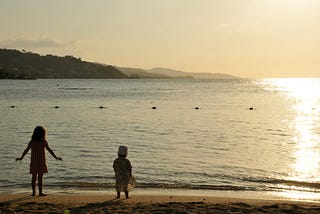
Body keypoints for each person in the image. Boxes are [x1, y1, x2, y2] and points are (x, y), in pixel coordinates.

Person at [16, 126, 62, 196]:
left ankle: (34, 192)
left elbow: (26, 150)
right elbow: (49, 150)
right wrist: (56, 157)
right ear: (43, 134)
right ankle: (40, 192)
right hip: (41, 162)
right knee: (40, 178)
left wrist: (21, 157)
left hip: (34, 162)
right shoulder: (43, 142)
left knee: (33, 177)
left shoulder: (32, 142)